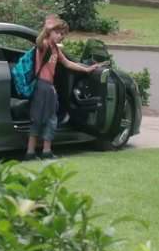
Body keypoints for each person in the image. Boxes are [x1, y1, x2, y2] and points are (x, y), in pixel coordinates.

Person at [26, 17, 104, 161]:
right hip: (44, 86)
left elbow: (68, 63)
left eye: (62, 34)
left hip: (46, 87)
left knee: (41, 118)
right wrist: (46, 29)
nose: (60, 36)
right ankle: (45, 151)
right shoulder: (45, 45)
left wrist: (86, 69)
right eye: (57, 32)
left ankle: (32, 152)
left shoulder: (55, 49)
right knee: (47, 118)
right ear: (50, 32)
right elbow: (38, 41)